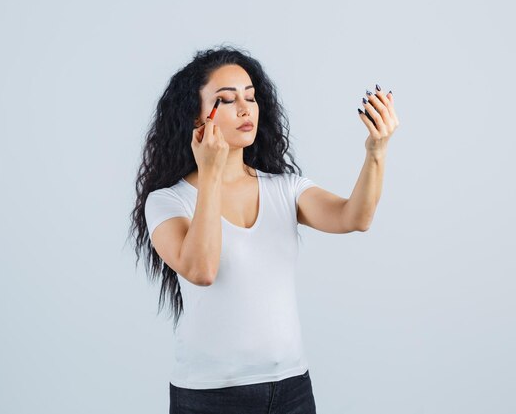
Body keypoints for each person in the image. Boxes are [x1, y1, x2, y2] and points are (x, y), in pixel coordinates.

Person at [128, 45, 398, 414]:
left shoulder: (284, 189)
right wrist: (209, 173)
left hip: (292, 389)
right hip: (210, 397)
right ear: (196, 118)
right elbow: (201, 270)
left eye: (250, 97)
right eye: (226, 100)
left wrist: (376, 152)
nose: (244, 108)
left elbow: (354, 217)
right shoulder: (167, 202)